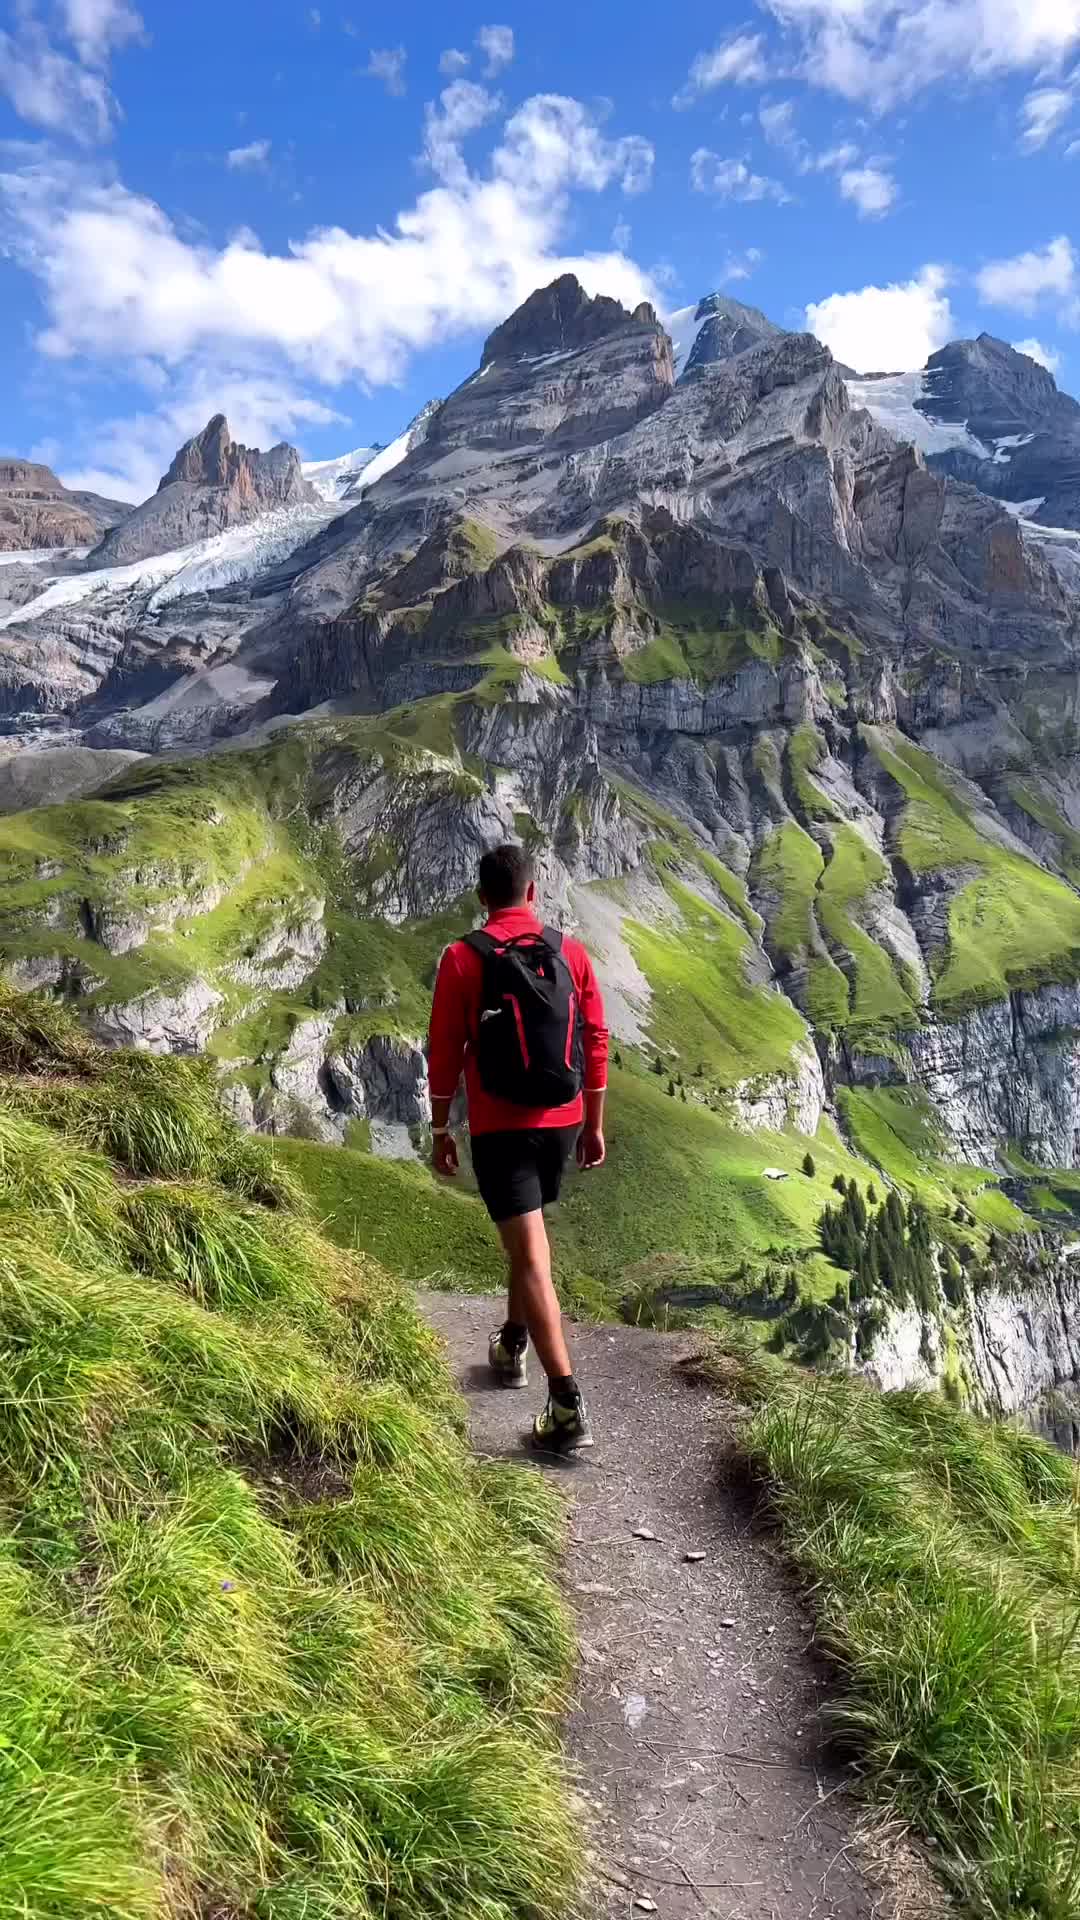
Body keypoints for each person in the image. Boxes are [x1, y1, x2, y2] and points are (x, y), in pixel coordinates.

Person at [427, 842, 609, 1451]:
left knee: (530, 1253)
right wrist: (594, 1124)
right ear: (533, 892)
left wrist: (438, 1129)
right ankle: (511, 1341)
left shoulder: (461, 958)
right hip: (562, 1119)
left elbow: (445, 1049)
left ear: (482, 898)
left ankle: (565, 1405)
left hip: (500, 1125)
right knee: (526, 1237)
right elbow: (596, 1037)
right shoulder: (571, 952)